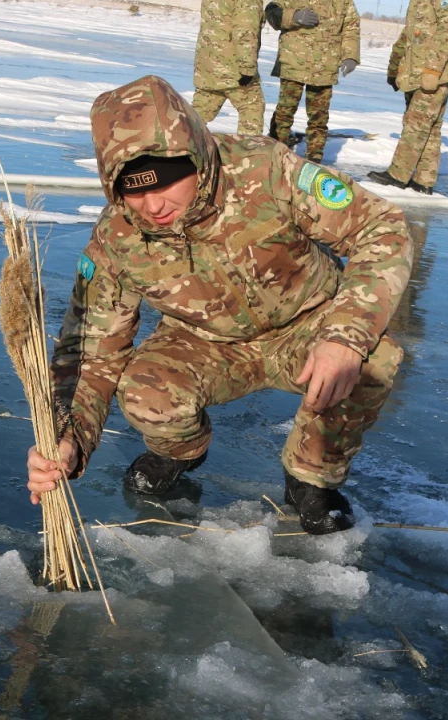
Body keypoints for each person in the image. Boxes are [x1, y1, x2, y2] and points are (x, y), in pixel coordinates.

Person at [26, 76, 411, 535]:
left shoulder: (264, 170)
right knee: (146, 395)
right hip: (205, 341)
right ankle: (180, 451)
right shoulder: (116, 241)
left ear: (196, 154)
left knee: (374, 359)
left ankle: (310, 476)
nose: (153, 205)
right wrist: (67, 437)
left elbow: (381, 228)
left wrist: (345, 336)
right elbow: (90, 354)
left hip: (310, 322)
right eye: (132, 189)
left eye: (167, 179)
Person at [366, 0, 448, 195]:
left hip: (437, 73)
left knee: (417, 121)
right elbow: (409, 34)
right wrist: (394, 69)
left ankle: (397, 175)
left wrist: (433, 70)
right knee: (430, 126)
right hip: (416, 73)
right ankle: (423, 181)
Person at [264, 0, 361, 163]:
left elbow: (351, 27)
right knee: (284, 113)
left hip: (324, 68)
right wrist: (294, 17)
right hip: (293, 63)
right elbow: (272, 11)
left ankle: (314, 158)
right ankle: (276, 152)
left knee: (319, 117)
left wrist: (351, 55)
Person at [192, 0, 265, 134]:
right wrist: (247, 68)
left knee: (198, 113)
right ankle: (247, 151)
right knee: (251, 108)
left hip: (208, 65)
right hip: (232, 67)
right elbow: (245, 31)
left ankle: (180, 147)